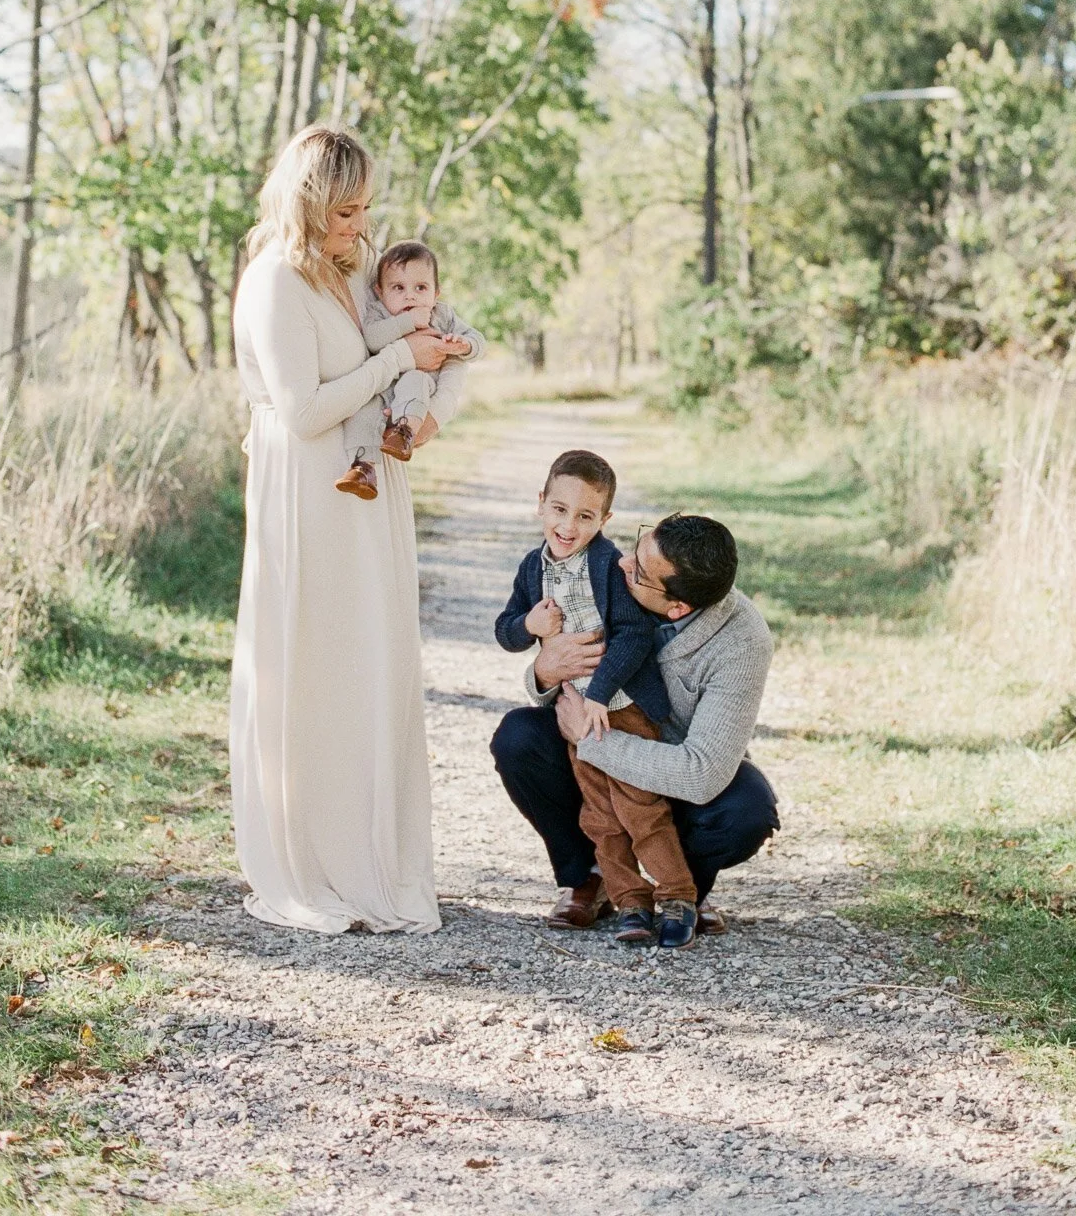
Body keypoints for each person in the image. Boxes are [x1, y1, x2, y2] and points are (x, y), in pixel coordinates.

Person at [230, 125, 450, 934]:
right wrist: (398, 365)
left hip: (365, 489)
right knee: (314, 665)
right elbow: (305, 408)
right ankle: (309, 860)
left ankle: (371, 855)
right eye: (346, 210)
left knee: (367, 664)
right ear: (311, 203)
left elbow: (392, 350)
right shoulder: (275, 283)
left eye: (364, 210)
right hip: (307, 487)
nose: (361, 225)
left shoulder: (344, 272)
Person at [490, 512, 778, 936]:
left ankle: (684, 890)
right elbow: (564, 689)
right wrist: (544, 674)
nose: (623, 563)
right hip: (595, 754)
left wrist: (591, 741)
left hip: (671, 769)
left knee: (745, 812)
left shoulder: (743, 640)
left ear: (677, 605)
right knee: (519, 738)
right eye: (637, 549)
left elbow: (702, 774)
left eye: (639, 571)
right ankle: (589, 876)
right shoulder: (608, 579)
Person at [494, 450, 700, 950]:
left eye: (585, 516)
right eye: (559, 510)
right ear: (541, 503)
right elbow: (505, 630)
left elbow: (633, 636)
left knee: (640, 809)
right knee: (600, 817)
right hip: (576, 715)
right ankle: (630, 902)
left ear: (604, 520)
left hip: (621, 708)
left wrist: (600, 697)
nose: (569, 525)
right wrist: (529, 626)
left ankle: (678, 896)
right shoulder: (532, 566)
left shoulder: (607, 565)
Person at [335, 239, 486, 497]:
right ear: (380, 292)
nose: (410, 295)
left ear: (435, 293)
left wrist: (464, 345)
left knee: (414, 380)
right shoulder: (379, 313)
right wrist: (407, 321)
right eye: (398, 288)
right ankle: (362, 468)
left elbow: (479, 339)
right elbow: (372, 339)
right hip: (381, 389)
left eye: (421, 288)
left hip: (419, 387)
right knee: (362, 415)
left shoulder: (442, 315)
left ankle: (403, 433)